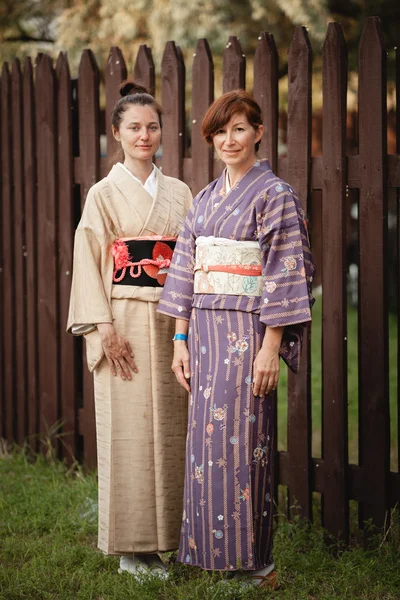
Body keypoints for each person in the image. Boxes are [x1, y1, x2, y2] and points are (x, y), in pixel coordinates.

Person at [158, 90, 314, 588]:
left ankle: (258, 566)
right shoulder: (205, 199)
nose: (229, 140)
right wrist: (179, 340)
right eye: (220, 132)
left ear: (259, 132)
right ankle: (216, 555)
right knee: (207, 445)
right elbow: (185, 270)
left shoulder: (275, 195)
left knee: (245, 444)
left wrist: (272, 346)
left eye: (240, 128)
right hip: (203, 332)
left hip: (248, 333)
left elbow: (286, 272)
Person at [67, 81, 192, 577]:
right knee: (128, 432)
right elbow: (88, 259)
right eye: (134, 127)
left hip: (172, 320)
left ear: (162, 132)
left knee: (171, 428)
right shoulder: (102, 194)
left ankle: (168, 540)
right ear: (116, 133)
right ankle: (130, 547)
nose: (145, 135)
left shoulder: (179, 192)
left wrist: (189, 326)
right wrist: (104, 328)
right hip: (121, 320)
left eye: (152, 127)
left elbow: (189, 261)